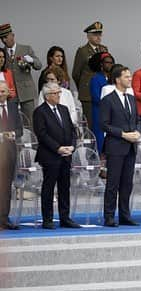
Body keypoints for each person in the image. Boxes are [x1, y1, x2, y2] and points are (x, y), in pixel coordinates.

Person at [33, 82, 80, 229]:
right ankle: (48, 218)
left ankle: (65, 217)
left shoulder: (64, 109)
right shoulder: (40, 112)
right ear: (47, 96)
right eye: (55, 93)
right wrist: (58, 148)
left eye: (59, 92)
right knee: (49, 186)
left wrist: (72, 146)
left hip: (66, 154)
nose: (58, 95)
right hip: (50, 155)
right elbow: (42, 134)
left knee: (65, 186)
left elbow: (72, 130)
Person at [100, 63, 141, 227]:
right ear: (117, 79)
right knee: (113, 183)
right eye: (126, 76)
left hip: (131, 146)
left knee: (127, 183)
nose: (129, 79)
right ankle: (109, 216)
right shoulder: (108, 100)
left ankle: (125, 214)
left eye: (130, 76)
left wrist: (137, 132)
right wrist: (123, 134)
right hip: (116, 146)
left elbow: (137, 119)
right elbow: (104, 124)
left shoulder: (131, 98)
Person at [0, 23, 42, 124]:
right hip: (11, 93)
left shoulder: (26, 49)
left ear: (12, 35)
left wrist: (31, 60)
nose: (4, 40)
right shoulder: (2, 53)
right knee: (12, 121)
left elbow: (39, 65)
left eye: (6, 37)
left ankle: (32, 139)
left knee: (30, 120)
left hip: (26, 92)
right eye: (2, 38)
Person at [72, 22, 107, 129]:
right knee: (91, 123)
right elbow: (76, 73)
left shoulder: (104, 49)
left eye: (100, 34)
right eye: (95, 34)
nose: (98, 37)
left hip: (102, 89)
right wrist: (84, 87)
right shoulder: (82, 51)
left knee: (103, 121)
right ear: (88, 36)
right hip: (88, 92)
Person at [0, 80, 22, 230]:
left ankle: (4, 218)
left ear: (8, 93)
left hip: (10, 152)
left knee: (6, 187)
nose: (1, 94)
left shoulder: (13, 108)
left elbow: (20, 129)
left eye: (3, 91)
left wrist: (12, 134)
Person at [90, 52, 114, 154]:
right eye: (107, 62)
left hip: (111, 114)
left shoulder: (112, 78)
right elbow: (96, 97)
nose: (109, 65)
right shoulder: (95, 78)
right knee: (100, 139)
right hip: (99, 112)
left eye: (111, 63)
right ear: (101, 64)